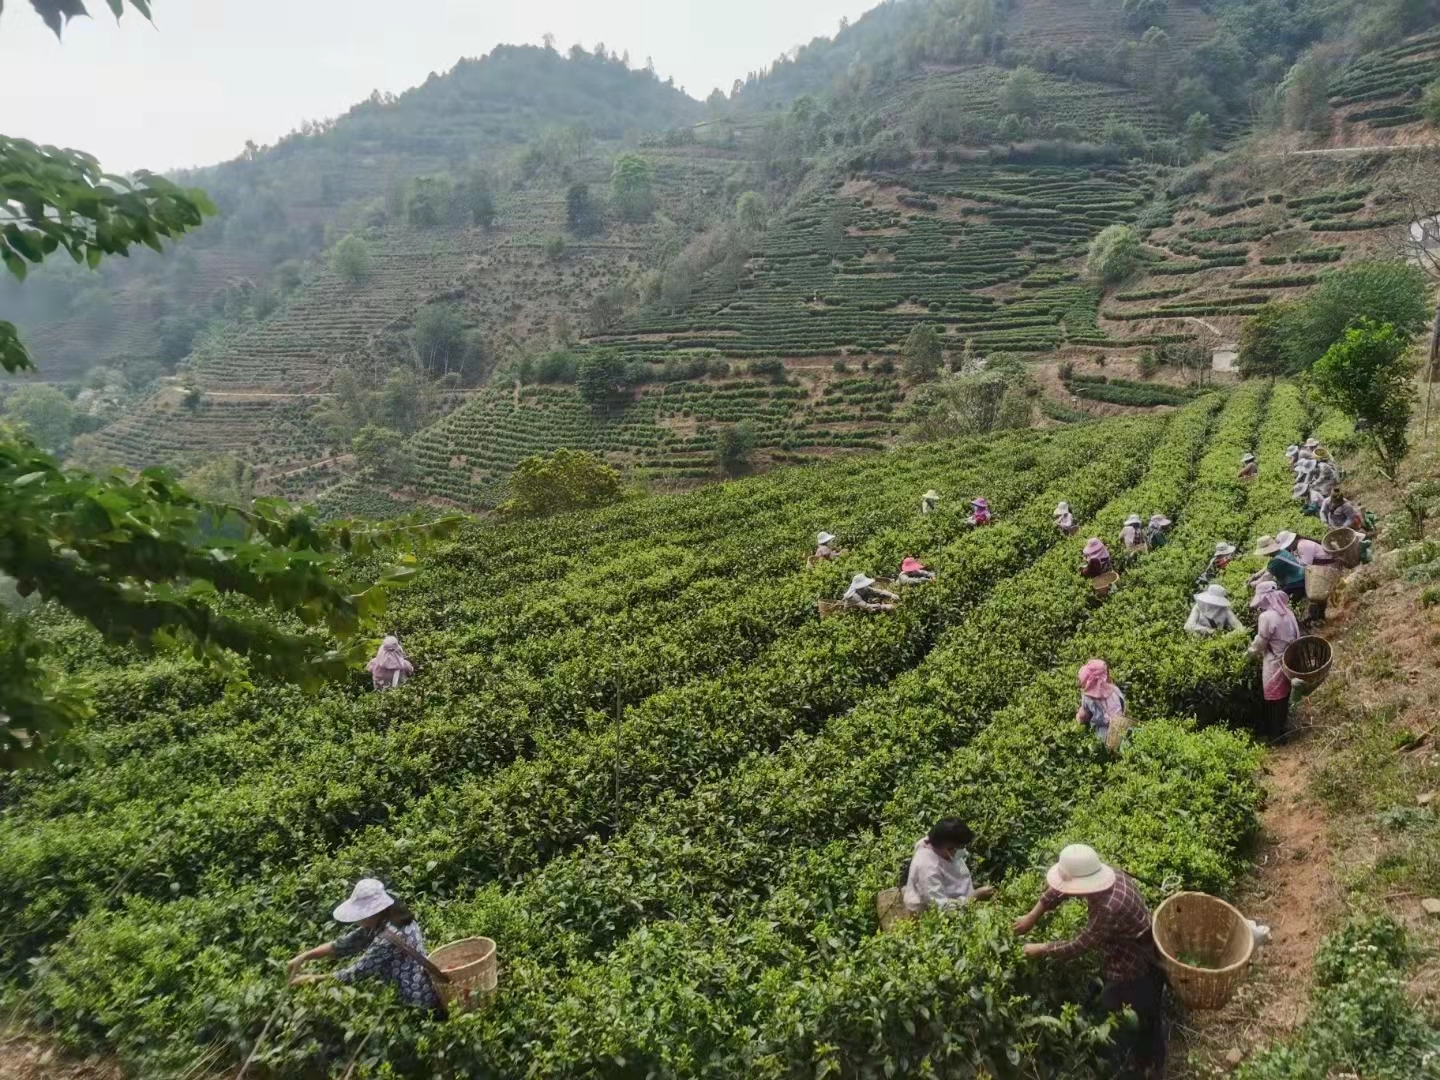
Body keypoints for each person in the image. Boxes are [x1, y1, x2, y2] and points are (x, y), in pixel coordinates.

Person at [1014, 845, 1165, 1078]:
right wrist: (1033, 915)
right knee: (1140, 1009)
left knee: (1120, 1014)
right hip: (1126, 948)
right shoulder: (1107, 874)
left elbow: (1080, 944)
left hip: (1133, 962)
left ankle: (1135, 1065)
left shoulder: (1108, 907)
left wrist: (1042, 948)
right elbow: (1061, 889)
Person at [288, 878, 442, 1012]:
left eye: (362, 914)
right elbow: (343, 945)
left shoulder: (387, 938)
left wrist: (312, 979)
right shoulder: (392, 919)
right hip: (424, 988)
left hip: (415, 1002)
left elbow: (354, 974)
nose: (359, 920)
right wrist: (304, 956)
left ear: (375, 912)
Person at [902, 818, 996, 913]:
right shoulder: (928, 868)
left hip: (958, 898)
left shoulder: (937, 843)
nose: (964, 851)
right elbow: (941, 908)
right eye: (961, 847)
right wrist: (974, 897)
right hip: (931, 915)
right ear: (947, 848)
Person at [1249, 581, 1301, 743]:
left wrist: (1248, 654)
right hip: (1290, 659)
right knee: (1283, 695)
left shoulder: (1266, 617)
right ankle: (1282, 731)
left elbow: (1260, 642)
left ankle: (1275, 736)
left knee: (1272, 698)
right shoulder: (1288, 612)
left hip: (1274, 662)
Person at [1075, 658, 1126, 745]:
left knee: (1081, 713)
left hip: (1105, 734)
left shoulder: (1088, 698)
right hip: (1121, 725)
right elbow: (1123, 704)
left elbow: (1087, 715)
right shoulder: (1115, 690)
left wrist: (1080, 715)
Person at [1251, 534, 1306, 599]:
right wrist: (1256, 575)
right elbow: (1268, 567)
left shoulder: (1276, 561)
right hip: (1301, 578)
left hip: (1295, 584)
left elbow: (1266, 578)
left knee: (1276, 598)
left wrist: (1252, 584)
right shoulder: (1282, 552)